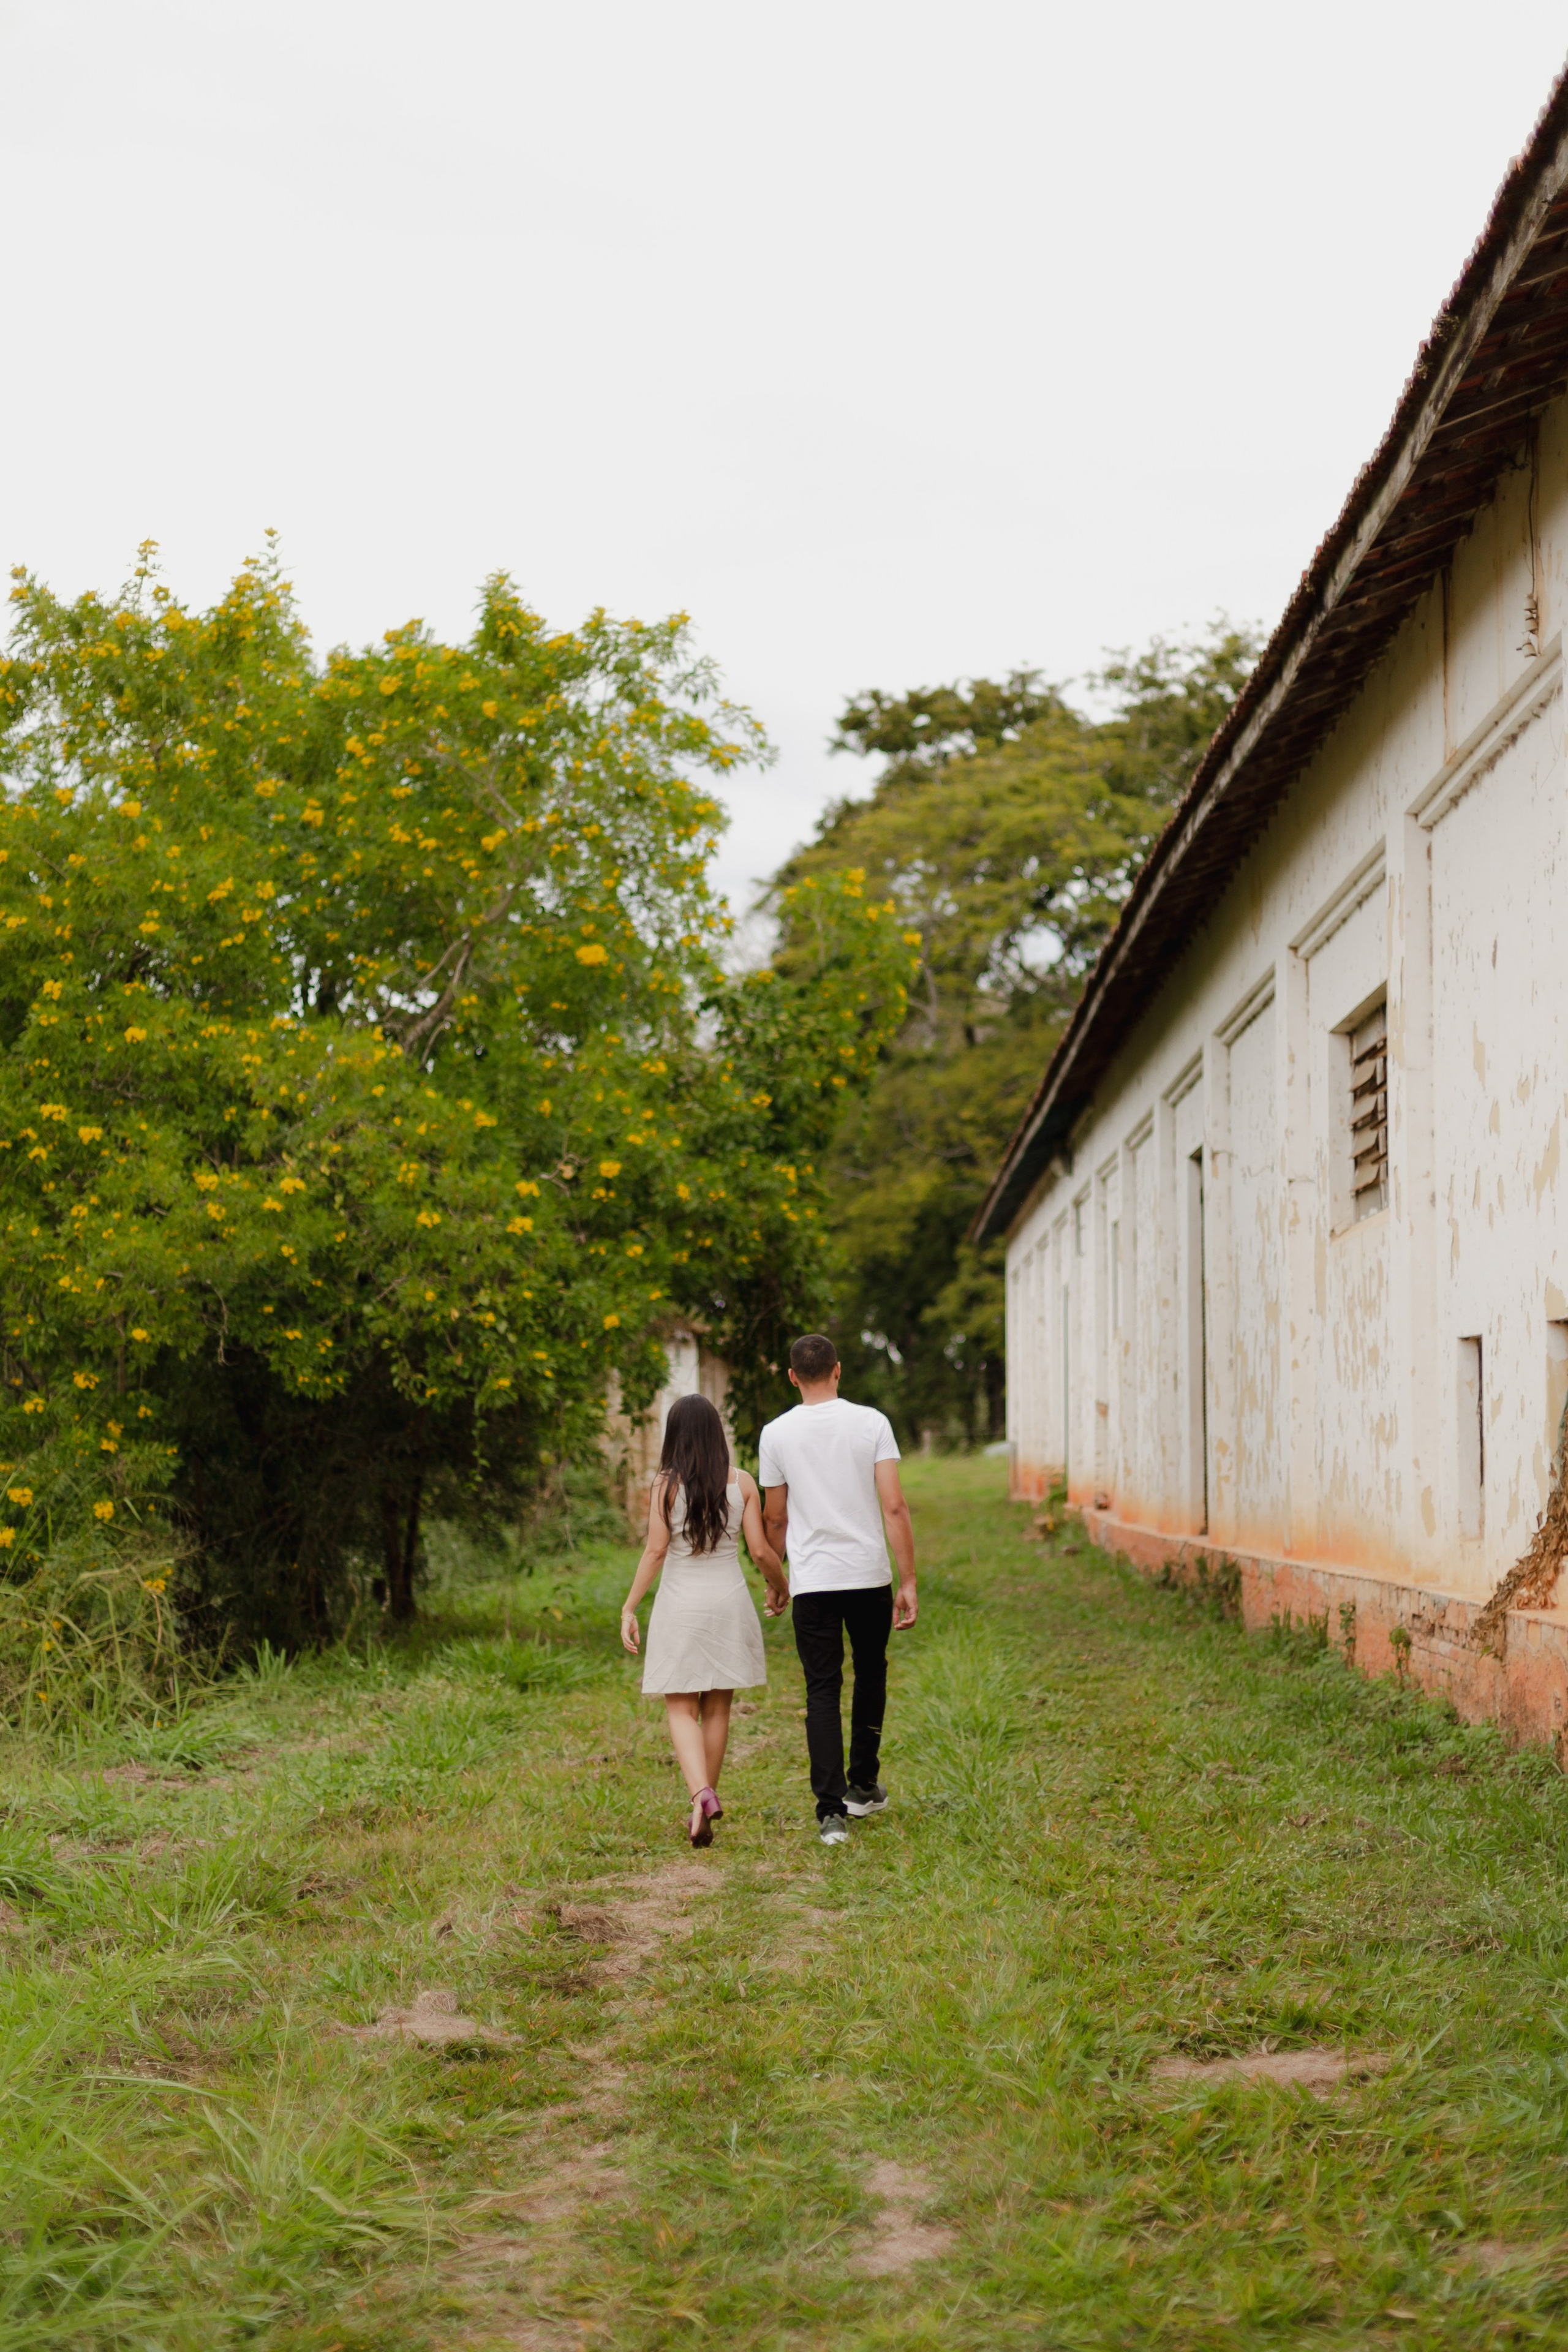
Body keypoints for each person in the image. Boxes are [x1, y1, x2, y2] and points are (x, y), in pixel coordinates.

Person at [759, 1334, 917, 1845]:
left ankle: (831, 1814)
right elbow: (894, 1506)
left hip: (813, 1582)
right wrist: (908, 1579)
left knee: (822, 1688)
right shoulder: (872, 1422)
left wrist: (775, 1580)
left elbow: (775, 1517)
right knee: (871, 1675)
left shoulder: (775, 1433)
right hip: (869, 1574)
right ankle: (863, 1785)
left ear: (791, 1376)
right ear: (837, 1370)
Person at [620, 1391, 790, 1847]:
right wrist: (782, 1585)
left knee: (680, 1707)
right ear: (717, 1434)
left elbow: (656, 1550)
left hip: (681, 1603)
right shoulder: (743, 1483)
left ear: (674, 1436)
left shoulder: (664, 1486)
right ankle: (703, 1807)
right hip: (729, 1601)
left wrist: (630, 1606)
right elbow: (759, 1551)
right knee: (717, 1707)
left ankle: (700, 1794)